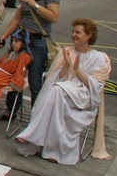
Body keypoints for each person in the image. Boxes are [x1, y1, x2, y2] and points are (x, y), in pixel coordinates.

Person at [16, 18, 111, 165]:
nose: (73, 35)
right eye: (73, 32)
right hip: (62, 92)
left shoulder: (100, 58)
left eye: (78, 32)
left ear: (89, 35)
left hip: (83, 97)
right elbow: (54, 79)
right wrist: (67, 65)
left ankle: (33, 135)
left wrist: (77, 70)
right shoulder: (66, 52)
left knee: (57, 91)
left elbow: (95, 86)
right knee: (56, 92)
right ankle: (52, 150)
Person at [0, 0, 60, 103]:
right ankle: (11, 108)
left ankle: (36, 112)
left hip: (38, 41)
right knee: (14, 74)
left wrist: (35, 5)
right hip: (21, 39)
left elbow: (54, 17)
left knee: (34, 79)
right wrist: (4, 35)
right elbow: (17, 18)